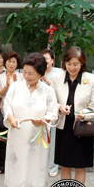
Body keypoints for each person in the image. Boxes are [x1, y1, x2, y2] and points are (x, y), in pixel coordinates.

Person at [3, 52, 58, 187]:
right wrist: (11, 119)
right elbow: (7, 107)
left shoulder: (48, 91)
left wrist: (43, 121)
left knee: (36, 169)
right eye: (25, 72)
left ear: (41, 74)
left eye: (31, 74)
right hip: (17, 136)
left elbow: (53, 112)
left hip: (37, 138)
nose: (26, 76)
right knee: (17, 168)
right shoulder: (15, 87)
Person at [50, 47, 94, 184]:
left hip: (82, 128)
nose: (72, 67)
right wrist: (60, 107)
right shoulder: (56, 78)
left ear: (82, 64)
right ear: (64, 63)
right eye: (69, 64)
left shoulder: (92, 79)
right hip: (64, 128)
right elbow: (51, 102)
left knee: (80, 167)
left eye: (76, 64)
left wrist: (85, 114)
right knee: (65, 166)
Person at [0, 52, 24, 174]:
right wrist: (7, 85)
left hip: (18, 113)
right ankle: (2, 165)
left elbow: (24, 95)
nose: (11, 64)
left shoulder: (22, 77)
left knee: (18, 140)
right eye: (9, 61)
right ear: (5, 63)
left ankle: (17, 166)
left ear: (17, 64)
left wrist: (16, 84)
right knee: (3, 140)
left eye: (14, 62)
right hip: (4, 112)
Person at [40, 48, 63, 177]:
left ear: (52, 60)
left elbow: (60, 92)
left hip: (54, 110)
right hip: (39, 111)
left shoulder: (59, 73)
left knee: (52, 140)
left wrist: (47, 80)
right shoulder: (37, 71)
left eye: (47, 58)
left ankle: (52, 167)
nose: (45, 61)